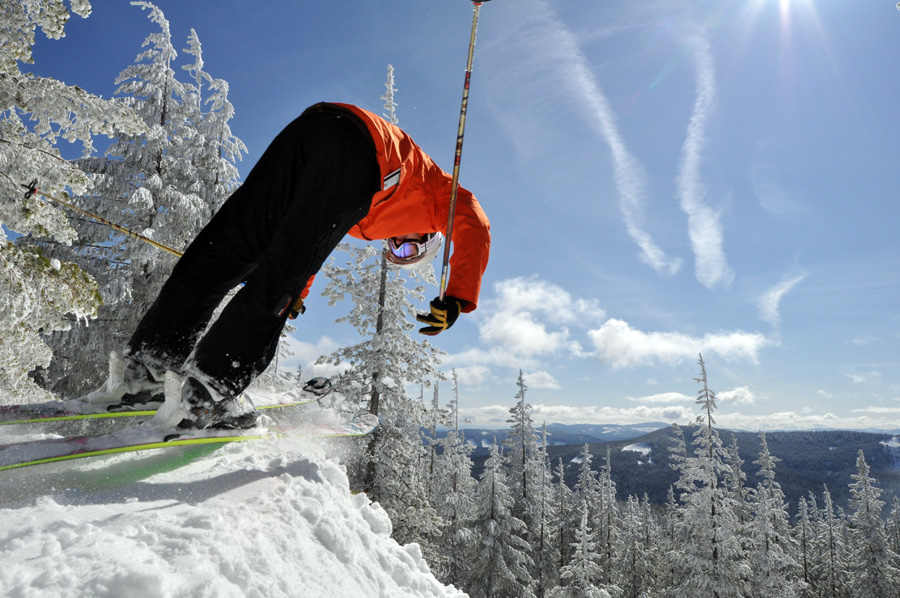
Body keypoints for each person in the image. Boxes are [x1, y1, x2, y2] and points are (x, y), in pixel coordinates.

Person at [86, 102, 491, 430]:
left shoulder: (370, 219)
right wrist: (457, 297)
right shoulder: (437, 195)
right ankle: (211, 390)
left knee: (229, 247)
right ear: (431, 234)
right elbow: (475, 222)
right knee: (275, 278)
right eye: (408, 248)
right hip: (359, 149)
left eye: (399, 254)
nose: (398, 246)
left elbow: (306, 243)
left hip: (309, 131)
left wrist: (300, 293)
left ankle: (148, 367)